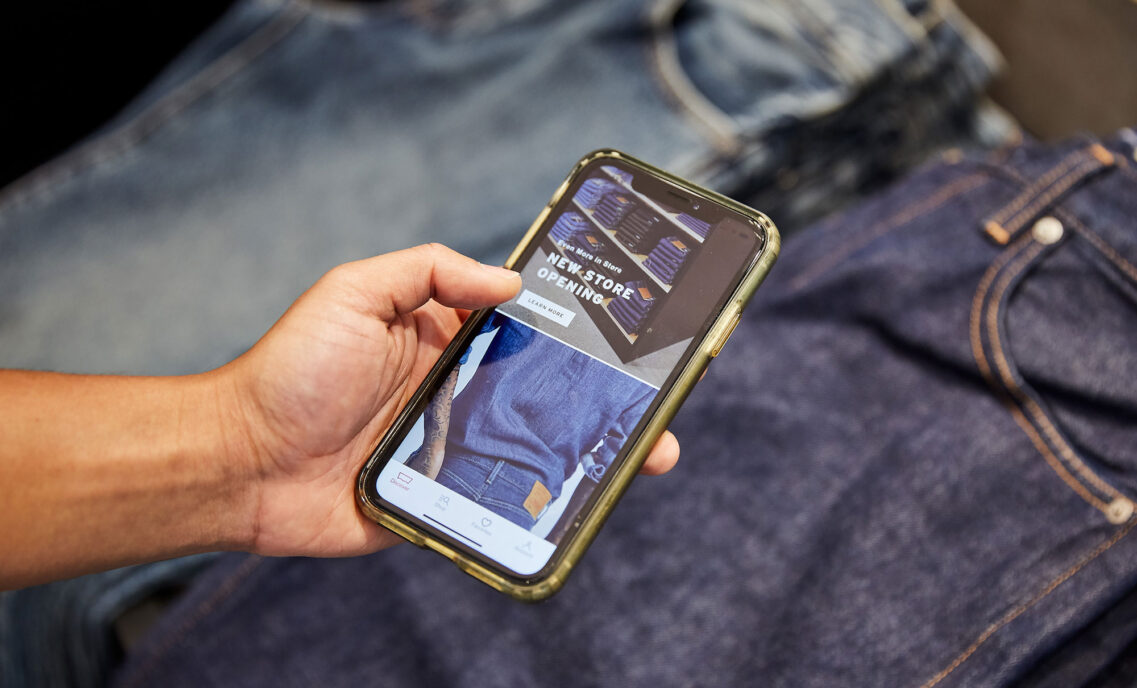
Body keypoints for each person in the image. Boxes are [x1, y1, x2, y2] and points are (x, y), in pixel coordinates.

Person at [0, 244, 680, 591]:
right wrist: (241, 449)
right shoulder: (638, 375)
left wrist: (243, 447)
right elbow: (608, 454)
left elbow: (467, 369)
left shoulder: (539, 320)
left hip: (433, 459)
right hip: (512, 495)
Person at [406, 311, 655, 539]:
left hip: (451, 460)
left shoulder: (548, 276)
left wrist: (433, 447)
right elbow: (615, 459)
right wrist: (557, 544)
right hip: (527, 501)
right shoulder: (657, 358)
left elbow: (454, 335)